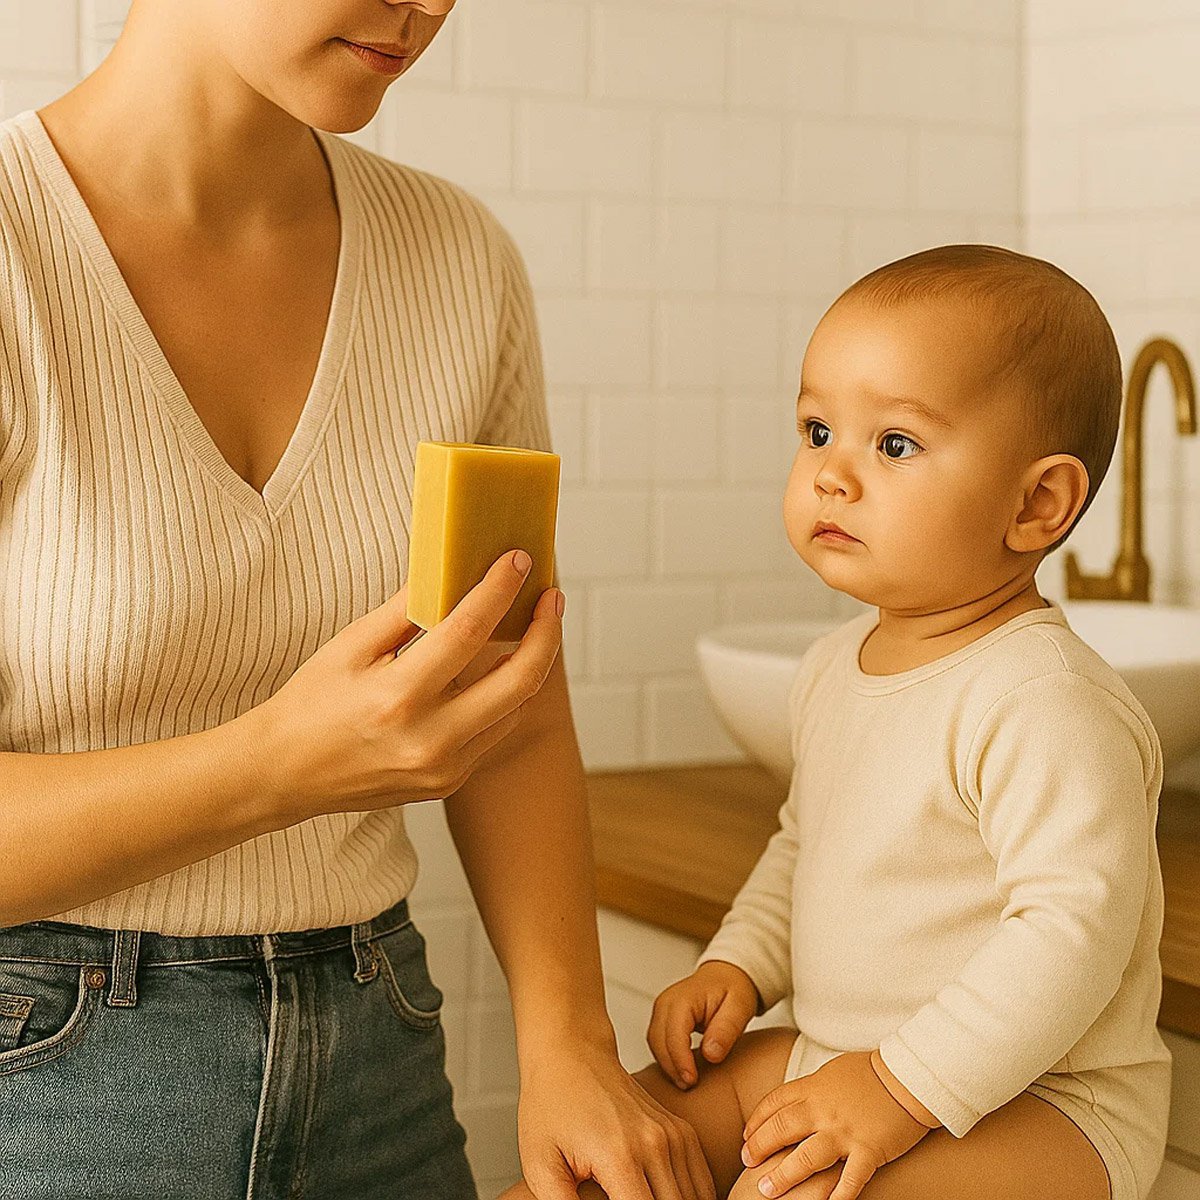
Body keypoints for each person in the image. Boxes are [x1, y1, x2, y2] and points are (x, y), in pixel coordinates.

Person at [0, 2, 714, 1197]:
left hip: (380, 1051)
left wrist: (571, 1046)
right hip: (45, 1071)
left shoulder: (459, 259)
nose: (429, 2)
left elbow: (510, 698)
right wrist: (276, 765)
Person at [501, 243, 1173, 1200]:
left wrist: (899, 1088)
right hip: (845, 1055)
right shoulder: (830, 668)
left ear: (1038, 503)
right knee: (607, 1156)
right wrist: (740, 962)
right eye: (818, 431)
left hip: (1049, 1104)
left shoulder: (1045, 697)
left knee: (791, 1192)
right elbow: (805, 844)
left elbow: (1074, 934)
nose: (831, 474)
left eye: (893, 444)